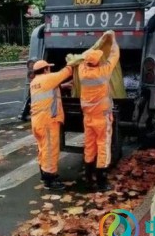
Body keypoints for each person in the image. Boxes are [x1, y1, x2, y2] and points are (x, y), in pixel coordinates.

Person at [77, 30, 119, 192]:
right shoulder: (104, 71)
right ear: (98, 61)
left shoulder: (82, 71)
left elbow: (84, 56)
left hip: (88, 117)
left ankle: (88, 177)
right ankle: (102, 180)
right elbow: (114, 55)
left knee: (89, 145)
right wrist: (112, 39)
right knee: (103, 146)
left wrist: (99, 41)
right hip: (102, 118)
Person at [29, 59, 74, 190]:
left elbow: (49, 90)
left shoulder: (35, 82)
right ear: (45, 70)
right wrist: (74, 61)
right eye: (48, 68)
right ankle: (50, 181)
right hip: (48, 122)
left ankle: (44, 174)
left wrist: (63, 86)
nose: (50, 70)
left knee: (43, 149)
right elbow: (66, 71)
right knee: (50, 150)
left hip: (38, 121)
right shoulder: (48, 78)